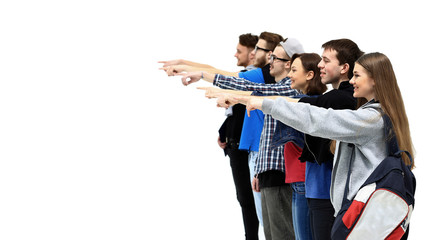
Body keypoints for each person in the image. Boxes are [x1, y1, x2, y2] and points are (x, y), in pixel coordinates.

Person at [236, 52, 414, 239]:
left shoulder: (371, 119)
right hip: (366, 213)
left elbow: (319, 119)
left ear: (375, 79)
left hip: (361, 213)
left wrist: (266, 104)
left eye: (357, 75)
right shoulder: (380, 114)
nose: (351, 80)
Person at [211, 38, 365, 240]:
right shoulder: (332, 97)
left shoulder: (337, 99)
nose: (269, 60)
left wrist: (243, 97)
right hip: (304, 182)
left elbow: (288, 100)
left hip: (311, 184)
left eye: (326, 61)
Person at [183, 38, 305, 240]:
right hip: (268, 171)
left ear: (289, 64)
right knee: (270, 232)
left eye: (275, 57)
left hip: (281, 176)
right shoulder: (276, 87)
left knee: (281, 234)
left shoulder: (287, 89)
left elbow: (246, 86)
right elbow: (266, 136)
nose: (270, 60)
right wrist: (259, 171)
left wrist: (207, 77)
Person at [163, 32, 285, 232]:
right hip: (257, 152)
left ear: (271, 54)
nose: (253, 53)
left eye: (257, 49)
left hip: (261, 152)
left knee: (271, 222)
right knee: (264, 218)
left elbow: (229, 78)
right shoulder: (263, 75)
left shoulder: (262, 75)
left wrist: (193, 70)